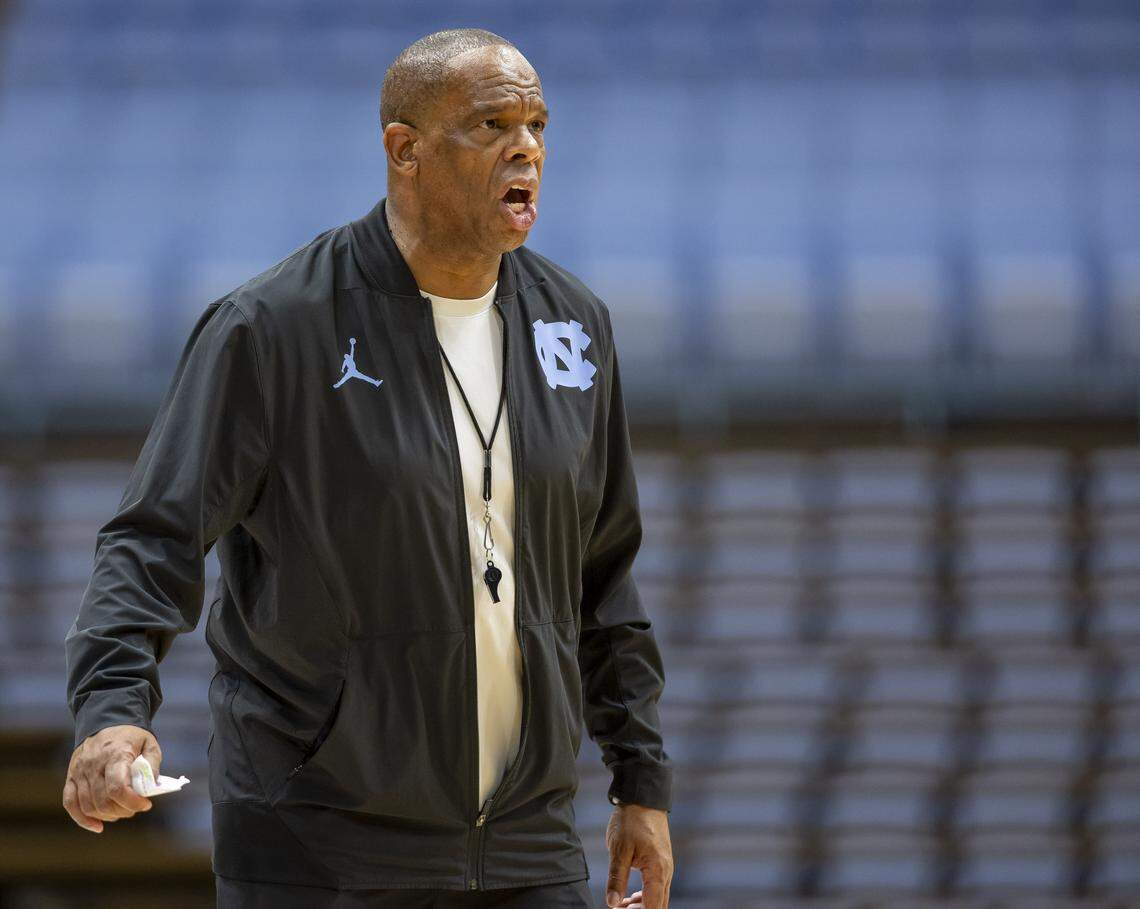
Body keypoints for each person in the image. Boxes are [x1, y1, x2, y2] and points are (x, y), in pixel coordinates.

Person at [63, 27, 674, 909]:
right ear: (406, 150)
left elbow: (605, 575)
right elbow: (151, 537)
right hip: (318, 844)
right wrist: (113, 711)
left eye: (538, 124)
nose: (527, 148)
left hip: (526, 847)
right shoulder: (273, 328)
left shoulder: (572, 326)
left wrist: (639, 779)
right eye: (493, 123)